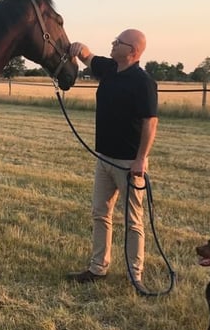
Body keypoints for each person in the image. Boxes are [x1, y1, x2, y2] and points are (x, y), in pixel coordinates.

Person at [66, 29, 158, 285]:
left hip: (129, 163)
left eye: (119, 42)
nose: (113, 43)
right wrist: (75, 47)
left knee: (133, 220)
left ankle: (134, 275)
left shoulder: (143, 82)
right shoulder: (108, 68)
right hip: (104, 158)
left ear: (132, 51)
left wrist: (141, 159)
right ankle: (98, 268)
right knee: (100, 213)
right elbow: (87, 56)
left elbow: (150, 123)